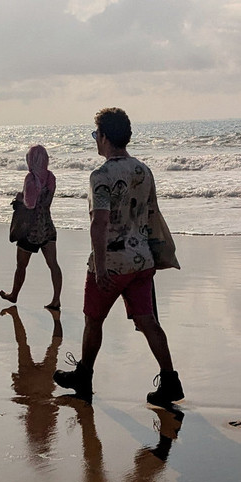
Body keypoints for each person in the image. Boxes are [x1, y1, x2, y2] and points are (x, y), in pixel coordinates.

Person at [53, 107, 185, 409]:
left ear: (104, 137)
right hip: (142, 258)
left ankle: (84, 376)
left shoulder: (101, 176)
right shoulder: (143, 170)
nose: (95, 140)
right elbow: (151, 214)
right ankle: (170, 380)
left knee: (93, 320)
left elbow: (99, 222)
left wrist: (100, 267)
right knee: (148, 321)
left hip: (112, 261)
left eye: (95, 134)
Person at [0, 144, 62, 311]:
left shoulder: (30, 178)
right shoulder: (51, 177)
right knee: (53, 264)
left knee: (21, 265)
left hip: (30, 230)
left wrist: (20, 198)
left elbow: (30, 204)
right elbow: (47, 202)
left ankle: (14, 294)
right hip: (47, 227)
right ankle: (56, 299)